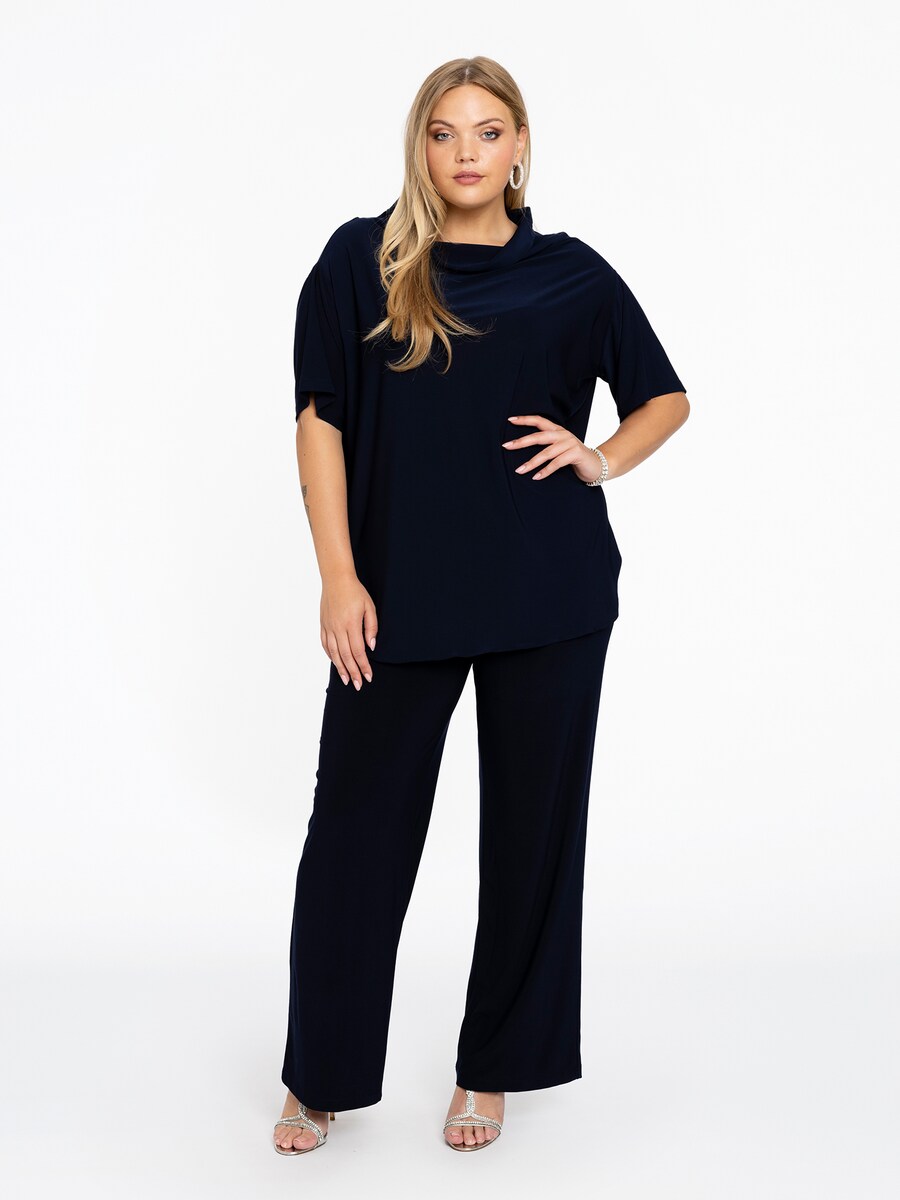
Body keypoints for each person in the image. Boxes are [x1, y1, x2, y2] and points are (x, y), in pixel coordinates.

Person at [273, 55, 690, 1156]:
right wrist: (338, 575)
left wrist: (600, 458)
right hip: (395, 601)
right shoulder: (360, 262)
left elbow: (665, 396)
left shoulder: (572, 275)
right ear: (420, 146)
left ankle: (494, 1068)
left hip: (549, 595)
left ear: (519, 148)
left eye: (489, 131)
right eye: (445, 132)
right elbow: (320, 420)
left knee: (530, 841)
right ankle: (320, 1075)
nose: (467, 151)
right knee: (355, 839)